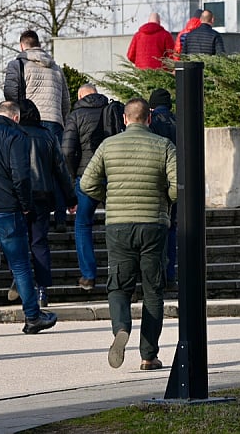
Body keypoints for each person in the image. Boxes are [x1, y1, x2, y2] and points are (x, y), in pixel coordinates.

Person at [80, 98, 177, 371]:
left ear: (124, 119)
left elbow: (87, 182)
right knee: (153, 290)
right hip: (153, 224)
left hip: (119, 225)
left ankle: (121, 327)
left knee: (119, 286)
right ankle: (148, 355)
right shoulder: (164, 145)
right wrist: (165, 201)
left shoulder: (108, 145)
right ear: (149, 118)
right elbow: (177, 184)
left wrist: (109, 198)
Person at [0, 100, 58, 338]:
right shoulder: (16, 136)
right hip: (7, 211)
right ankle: (32, 316)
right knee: (20, 266)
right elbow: (21, 176)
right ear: (16, 118)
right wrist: (25, 205)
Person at [4, 29, 71, 230]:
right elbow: (66, 100)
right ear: (38, 44)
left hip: (28, 122)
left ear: (22, 45)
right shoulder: (56, 68)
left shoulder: (18, 64)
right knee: (57, 169)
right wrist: (61, 120)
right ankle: (60, 218)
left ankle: (32, 214)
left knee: (28, 167)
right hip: (54, 122)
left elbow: (10, 93)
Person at [19, 99, 78, 307]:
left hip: (18, 196)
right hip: (43, 194)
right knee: (40, 242)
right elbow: (61, 169)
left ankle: (20, 282)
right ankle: (42, 290)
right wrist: (70, 197)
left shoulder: (13, 134)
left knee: (18, 242)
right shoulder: (47, 136)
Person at [62, 83, 112, 291]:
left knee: (83, 224)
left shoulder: (76, 115)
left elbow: (67, 151)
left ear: (80, 96)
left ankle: (89, 275)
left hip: (85, 175)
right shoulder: (111, 110)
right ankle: (119, 275)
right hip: (112, 173)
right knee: (116, 223)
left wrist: (72, 177)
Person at [148, 88, 178, 282]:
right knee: (172, 227)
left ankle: (157, 273)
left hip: (158, 180)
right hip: (176, 180)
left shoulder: (153, 122)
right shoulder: (178, 120)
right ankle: (170, 272)